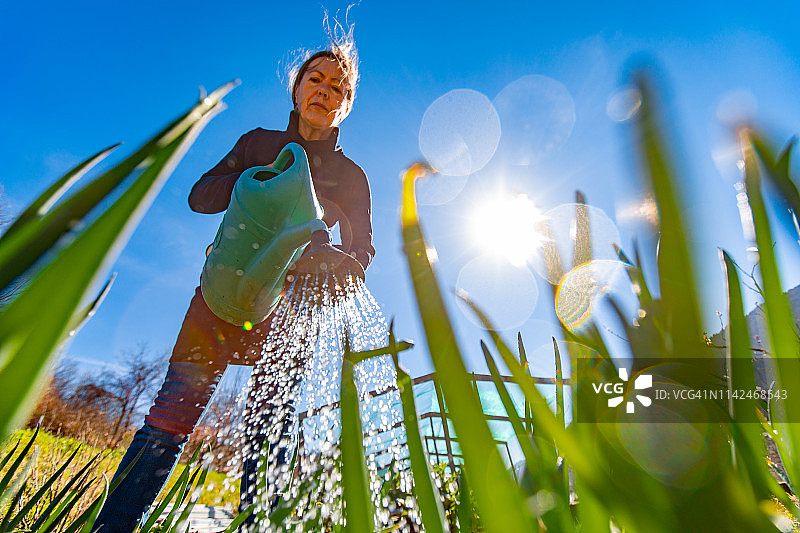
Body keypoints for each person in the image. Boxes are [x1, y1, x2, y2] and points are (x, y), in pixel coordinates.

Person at [95, 39, 374, 532]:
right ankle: (113, 527)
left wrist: (339, 264)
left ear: (346, 107)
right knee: (171, 417)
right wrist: (253, 180)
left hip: (292, 313)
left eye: (339, 88)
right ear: (296, 88)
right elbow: (200, 197)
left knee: (271, 434)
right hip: (221, 296)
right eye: (317, 80)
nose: (326, 92)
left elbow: (361, 252)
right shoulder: (258, 143)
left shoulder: (351, 177)